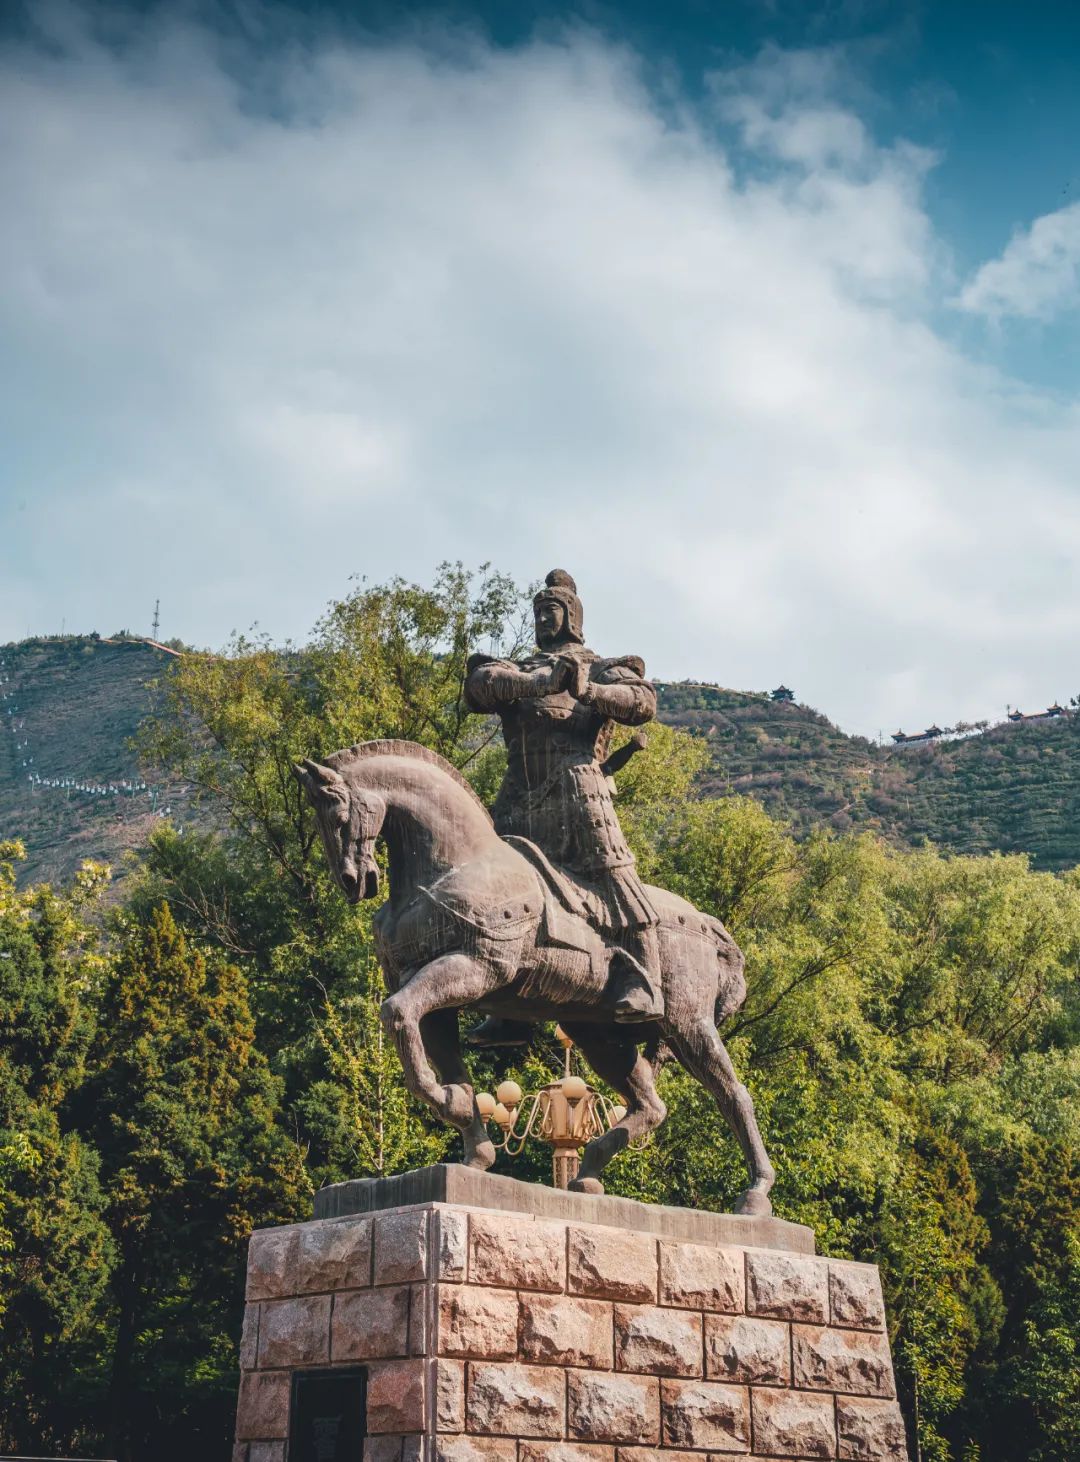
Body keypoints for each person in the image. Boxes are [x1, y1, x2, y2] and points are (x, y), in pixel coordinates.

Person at [464, 569, 663, 1042]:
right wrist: (541, 683)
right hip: (520, 794)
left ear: (571, 615)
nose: (541, 619)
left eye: (550, 611)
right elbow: (478, 686)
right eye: (536, 612)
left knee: (612, 873)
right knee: (498, 888)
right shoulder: (521, 670)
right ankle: (509, 1004)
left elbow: (642, 702)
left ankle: (646, 978)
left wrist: (588, 691)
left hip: (579, 786)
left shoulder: (599, 665)